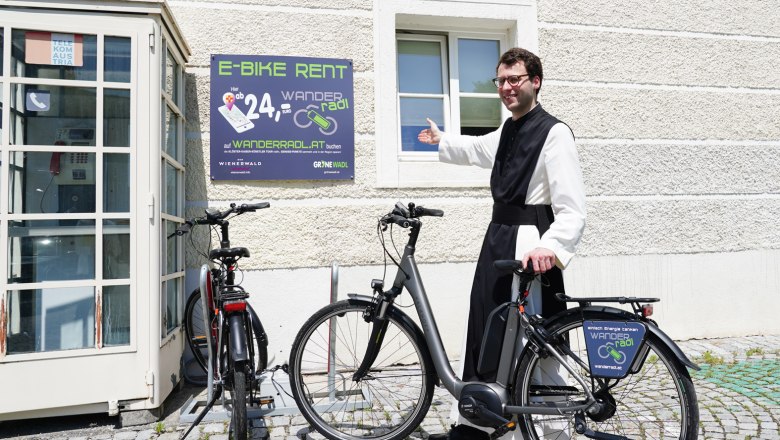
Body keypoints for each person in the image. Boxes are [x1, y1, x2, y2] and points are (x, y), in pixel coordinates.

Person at [419, 47, 586, 439]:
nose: (507, 87)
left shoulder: (554, 132)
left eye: (516, 79)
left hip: (529, 245)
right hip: (496, 240)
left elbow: (573, 207)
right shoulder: (509, 128)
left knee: (533, 339)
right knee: (487, 330)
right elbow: (478, 150)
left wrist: (552, 247)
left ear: (535, 82)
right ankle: (480, 422)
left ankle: (549, 428)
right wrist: (442, 140)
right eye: (502, 81)